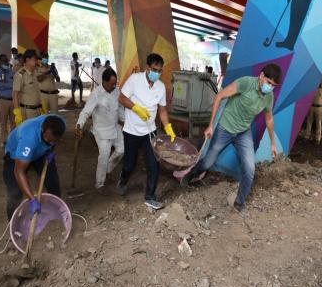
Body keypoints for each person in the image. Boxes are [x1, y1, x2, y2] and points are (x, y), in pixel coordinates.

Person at [182, 64, 282, 216]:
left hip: (243, 133)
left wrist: (273, 143)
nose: (270, 87)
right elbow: (219, 96)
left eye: (273, 85)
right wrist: (210, 125)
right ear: (261, 76)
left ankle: (239, 204)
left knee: (249, 170)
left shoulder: (268, 97)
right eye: (269, 82)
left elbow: (269, 119)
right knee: (208, 162)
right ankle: (190, 176)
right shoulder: (245, 83)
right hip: (224, 128)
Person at [117, 53, 176, 210]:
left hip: (150, 132)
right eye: (155, 69)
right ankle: (123, 180)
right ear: (147, 68)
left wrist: (168, 126)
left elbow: (162, 109)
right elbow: (121, 98)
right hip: (131, 131)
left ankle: (150, 196)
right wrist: (135, 108)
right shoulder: (135, 80)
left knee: (153, 164)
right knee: (130, 164)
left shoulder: (161, 87)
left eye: (160, 70)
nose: (157, 73)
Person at [3, 115, 65, 220]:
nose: (51, 143)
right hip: (15, 156)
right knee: (15, 192)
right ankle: (13, 223)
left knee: (52, 180)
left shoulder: (61, 124)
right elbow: (19, 171)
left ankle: (56, 212)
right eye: (48, 141)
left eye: (54, 141)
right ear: (42, 130)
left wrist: (51, 150)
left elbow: (53, 140)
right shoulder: (29, 138)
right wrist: (32, 199)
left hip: (40, 153)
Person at [76, 68, 124, 194]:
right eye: (111, 84)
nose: (114, 86)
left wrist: (128, 121)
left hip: (115, 127)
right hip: (101, 131)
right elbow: (86, 112)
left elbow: (119, 109)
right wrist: (79, 125)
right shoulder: (96, 94)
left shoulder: (116, 91)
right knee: (103, 157)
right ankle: (99, 184)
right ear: (104, 81)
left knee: (121, 150)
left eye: (115, 83)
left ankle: (108, 169)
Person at [0, 54, 15, 146]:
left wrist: (5, 83)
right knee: (3, 122)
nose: (6, 63)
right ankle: (4, 141)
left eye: (7, 61)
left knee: (13, 121)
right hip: (2, 100)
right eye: (4, 61)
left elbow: (13, 85)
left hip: (13, 100)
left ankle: (12, 139)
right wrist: (10, 84)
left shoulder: (12, 72)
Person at [12, 49, 41, 126]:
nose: (36, 62)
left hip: (38, 109)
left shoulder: (35, 72)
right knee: (28, 134)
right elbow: (15, 94)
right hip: (28, 111)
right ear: (27, 60)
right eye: (34, 60)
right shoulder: (20, 75)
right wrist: (17, 112)